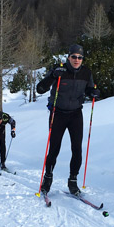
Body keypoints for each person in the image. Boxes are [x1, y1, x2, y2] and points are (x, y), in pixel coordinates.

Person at [35, 44, 99, 196]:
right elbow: (40, 89)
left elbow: (89, 89)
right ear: (68, 57)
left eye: (80, 57)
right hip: (58, 113)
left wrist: (94, 92)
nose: (77, 60)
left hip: (76, 114)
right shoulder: (59, 70)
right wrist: (52, 76)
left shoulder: (86, 72)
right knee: (54, 149)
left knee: (77, 149)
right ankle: (47, 179)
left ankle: (73, 181)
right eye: (74, 56)